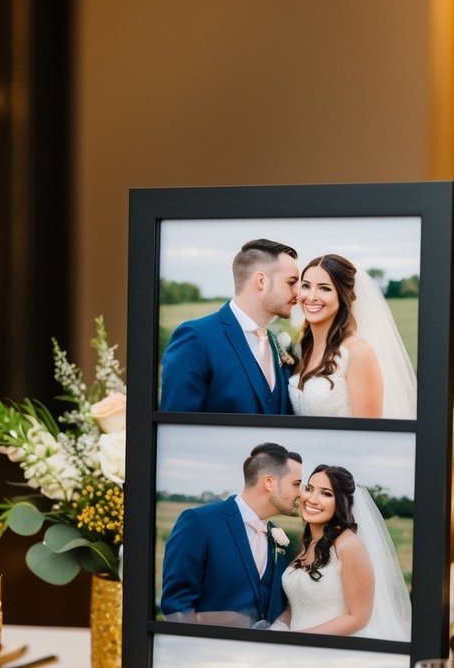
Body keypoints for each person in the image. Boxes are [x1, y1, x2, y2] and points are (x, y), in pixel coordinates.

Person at [160, 442, 301, 626]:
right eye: (296, 484)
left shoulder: (278, 538)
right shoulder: (199, 523)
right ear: (269, 483)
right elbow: (176, 607)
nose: (301, 493)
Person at [272, 464, 411, 641]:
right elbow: (299, 601)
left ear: (341, 502)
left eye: (326, 493)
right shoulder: (309, 542)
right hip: (297, 646)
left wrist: (298, 640)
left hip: (333, 649)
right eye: (309, 489)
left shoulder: (349, 546)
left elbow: (358, 618)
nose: (312, 499)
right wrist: (277, 627)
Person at [160, 238, 299, 414]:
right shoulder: (196, 339)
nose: (298, 293)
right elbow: (176, 428)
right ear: (261, 281)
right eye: (291, 282)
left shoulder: (273, 341)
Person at [288, 254, 416, 420]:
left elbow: (368, 432)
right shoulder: (303, 347)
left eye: (324, 288)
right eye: (306, 286)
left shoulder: (358, 352)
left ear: (343, 296)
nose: (311, 297)